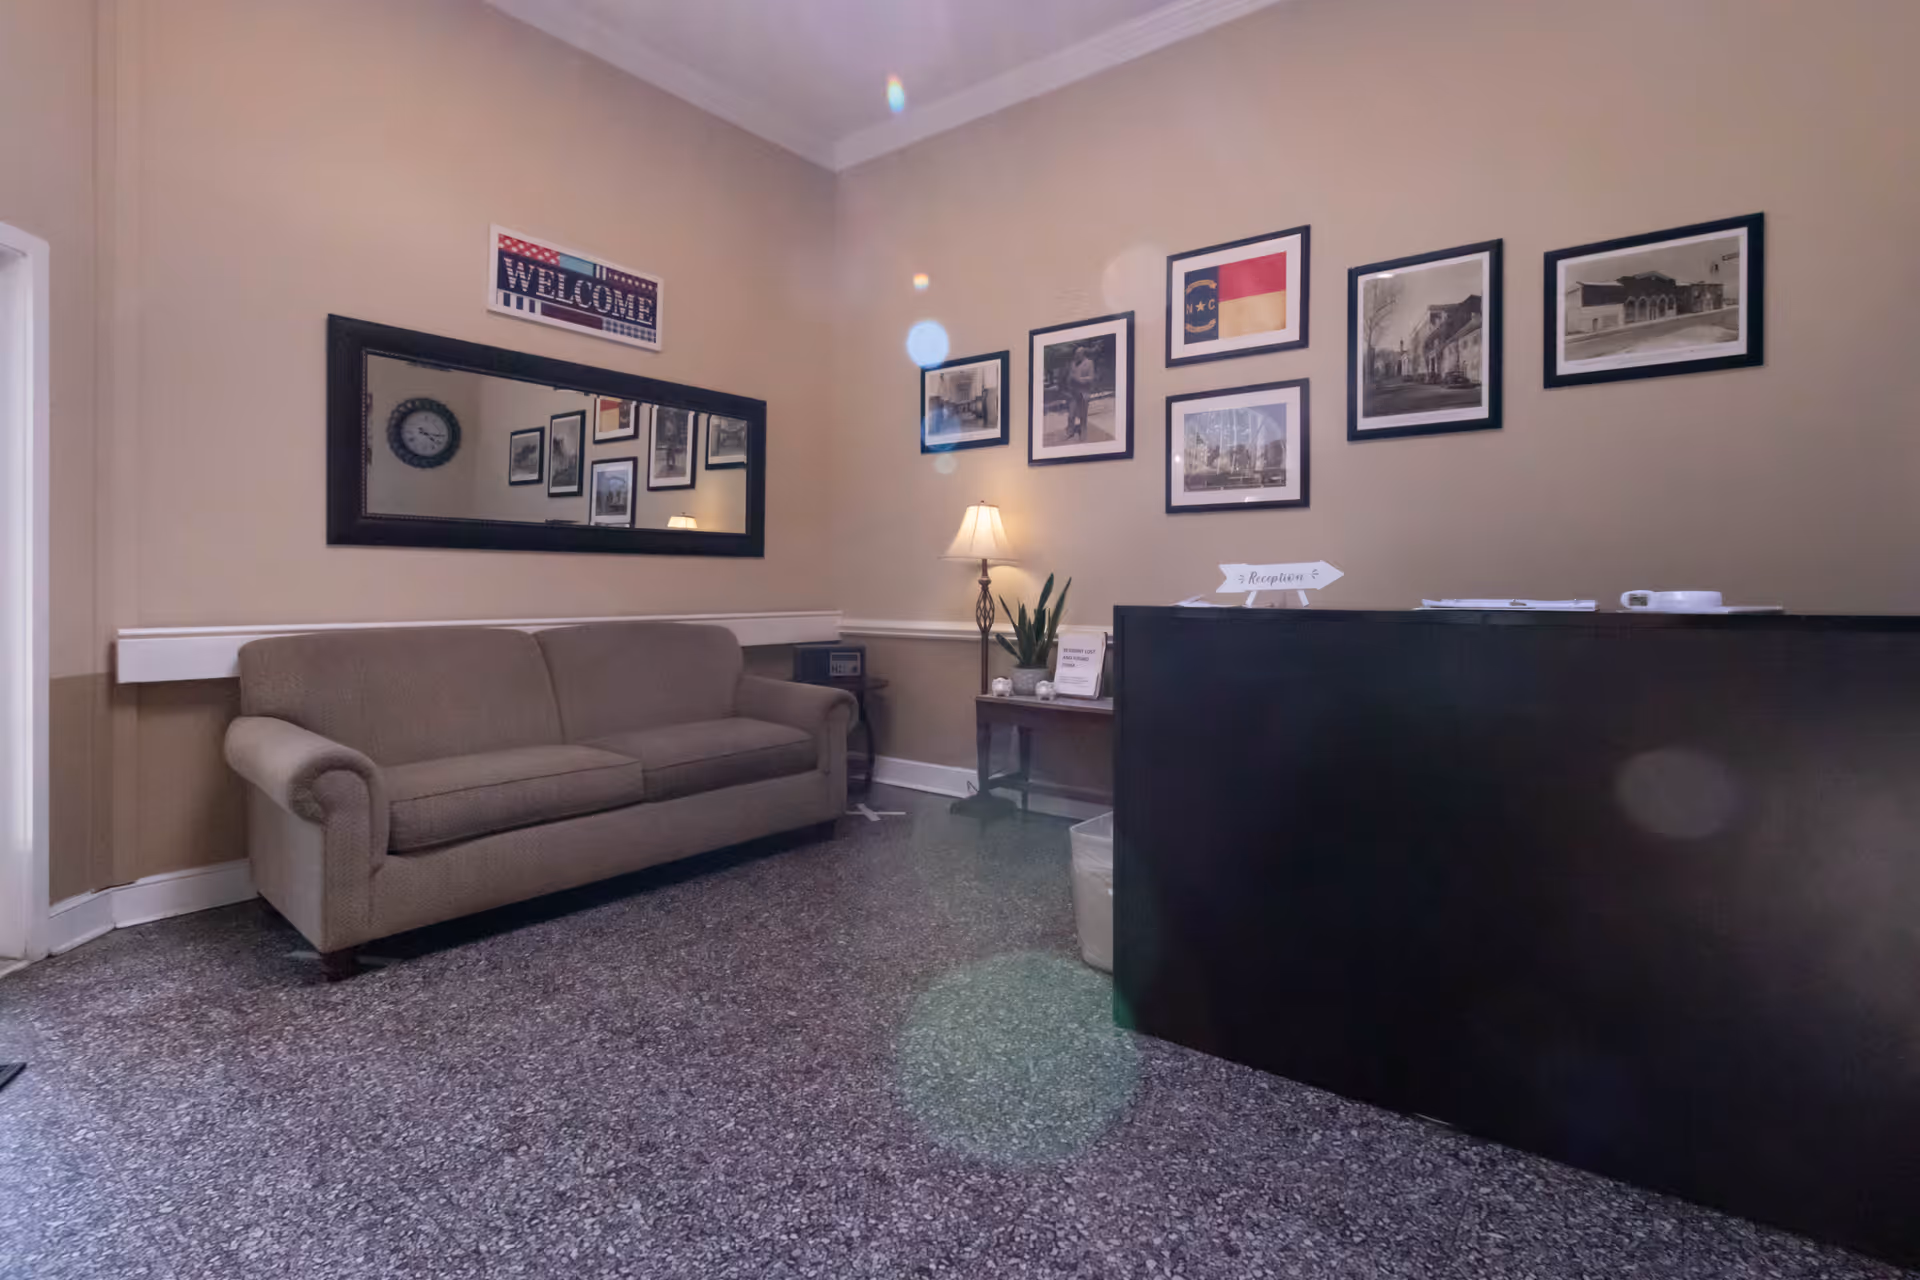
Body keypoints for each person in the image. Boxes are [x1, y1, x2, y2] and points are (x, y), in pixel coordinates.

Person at [1064, 345, 1097, 439]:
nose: (1076, 356)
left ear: (1083, 354)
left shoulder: (1089, 363)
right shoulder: (1073, 363)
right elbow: (1070, 376)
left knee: (1083, 414)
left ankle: (1083, 431)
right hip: (1073, 393)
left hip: (1084, 392)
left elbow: (1091, 378)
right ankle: (1070, 431)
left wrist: (1079, 379)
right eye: (1076, 354)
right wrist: (1069, 381)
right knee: (1071, 414)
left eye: (1078, 354)